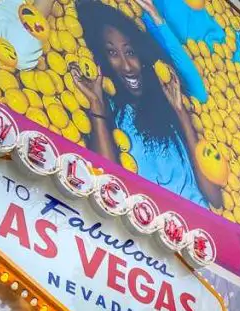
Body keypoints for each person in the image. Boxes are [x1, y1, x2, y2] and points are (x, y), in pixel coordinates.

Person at [73, 0, 222, 209]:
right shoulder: (114, 114)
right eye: (113, 53)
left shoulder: (166, 111)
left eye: (130, 52)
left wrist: (181, 113)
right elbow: (107, 182)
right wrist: (96, 105)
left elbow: (214, 197)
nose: (126, 65)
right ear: (101, 58)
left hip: (195, 231)